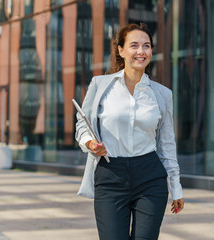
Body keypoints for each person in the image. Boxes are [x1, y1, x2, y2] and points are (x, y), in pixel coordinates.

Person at [75, 23, 184, 240]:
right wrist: (90, 144)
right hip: (110, 174)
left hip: (150, 176)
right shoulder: (101, 85)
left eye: (146, 46)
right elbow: (82, 123)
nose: (141, 51)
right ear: (121, 50)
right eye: (134, 45)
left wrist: (176, 187)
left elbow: (167, 144)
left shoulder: (162, 94)